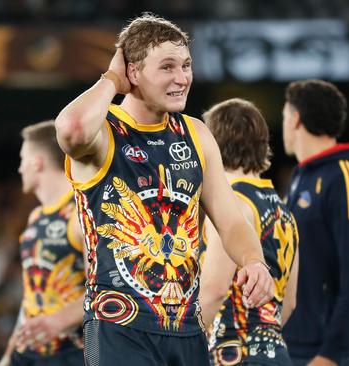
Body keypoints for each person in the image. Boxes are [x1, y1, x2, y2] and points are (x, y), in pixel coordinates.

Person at [54, 13, 274, 366]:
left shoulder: (197, 134)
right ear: (134, 73)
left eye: (186, 65)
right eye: (167, 67)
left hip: (187, 328)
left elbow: (231, 220)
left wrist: (254, 261)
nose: (182, 78)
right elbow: (72, 129)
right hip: (119, 328)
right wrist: (111, 78)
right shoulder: (103, 131)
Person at [280, 80, 349, 366]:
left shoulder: (345, 177)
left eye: (285, 117)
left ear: (296, 119)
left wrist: (333, 353)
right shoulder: (300, 177)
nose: (283, 124)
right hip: (294, 343)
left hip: (324, 350)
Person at [199, 98, 299, 366]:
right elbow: (288, 303)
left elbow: (214, 289)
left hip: (231, 354)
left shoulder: (229, 206)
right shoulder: (285, 212)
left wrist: (177, 345)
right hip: (276, 353)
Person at [0, 120, 86, 366]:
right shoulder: (35, 218)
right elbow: (32, 294)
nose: (19, 169)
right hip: (30, 352)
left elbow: (104, 290)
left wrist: (58, 320)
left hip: (72, 353)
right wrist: (8, 354)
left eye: (22, 159)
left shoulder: (81, 212)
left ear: (37, 162)